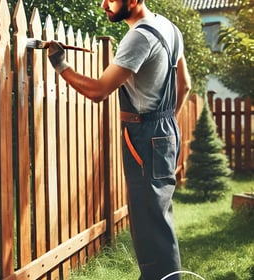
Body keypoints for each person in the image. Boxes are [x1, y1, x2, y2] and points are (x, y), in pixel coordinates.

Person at [47, 0, 192, 279]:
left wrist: (61, 65)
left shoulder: (139, 36)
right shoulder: (170, 28)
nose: (104, 5)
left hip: (144, 133)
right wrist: (164, 126)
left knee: (149, 222)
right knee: (157, 218)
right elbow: (184, 85)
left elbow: (99, 91)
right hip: (164, 130)